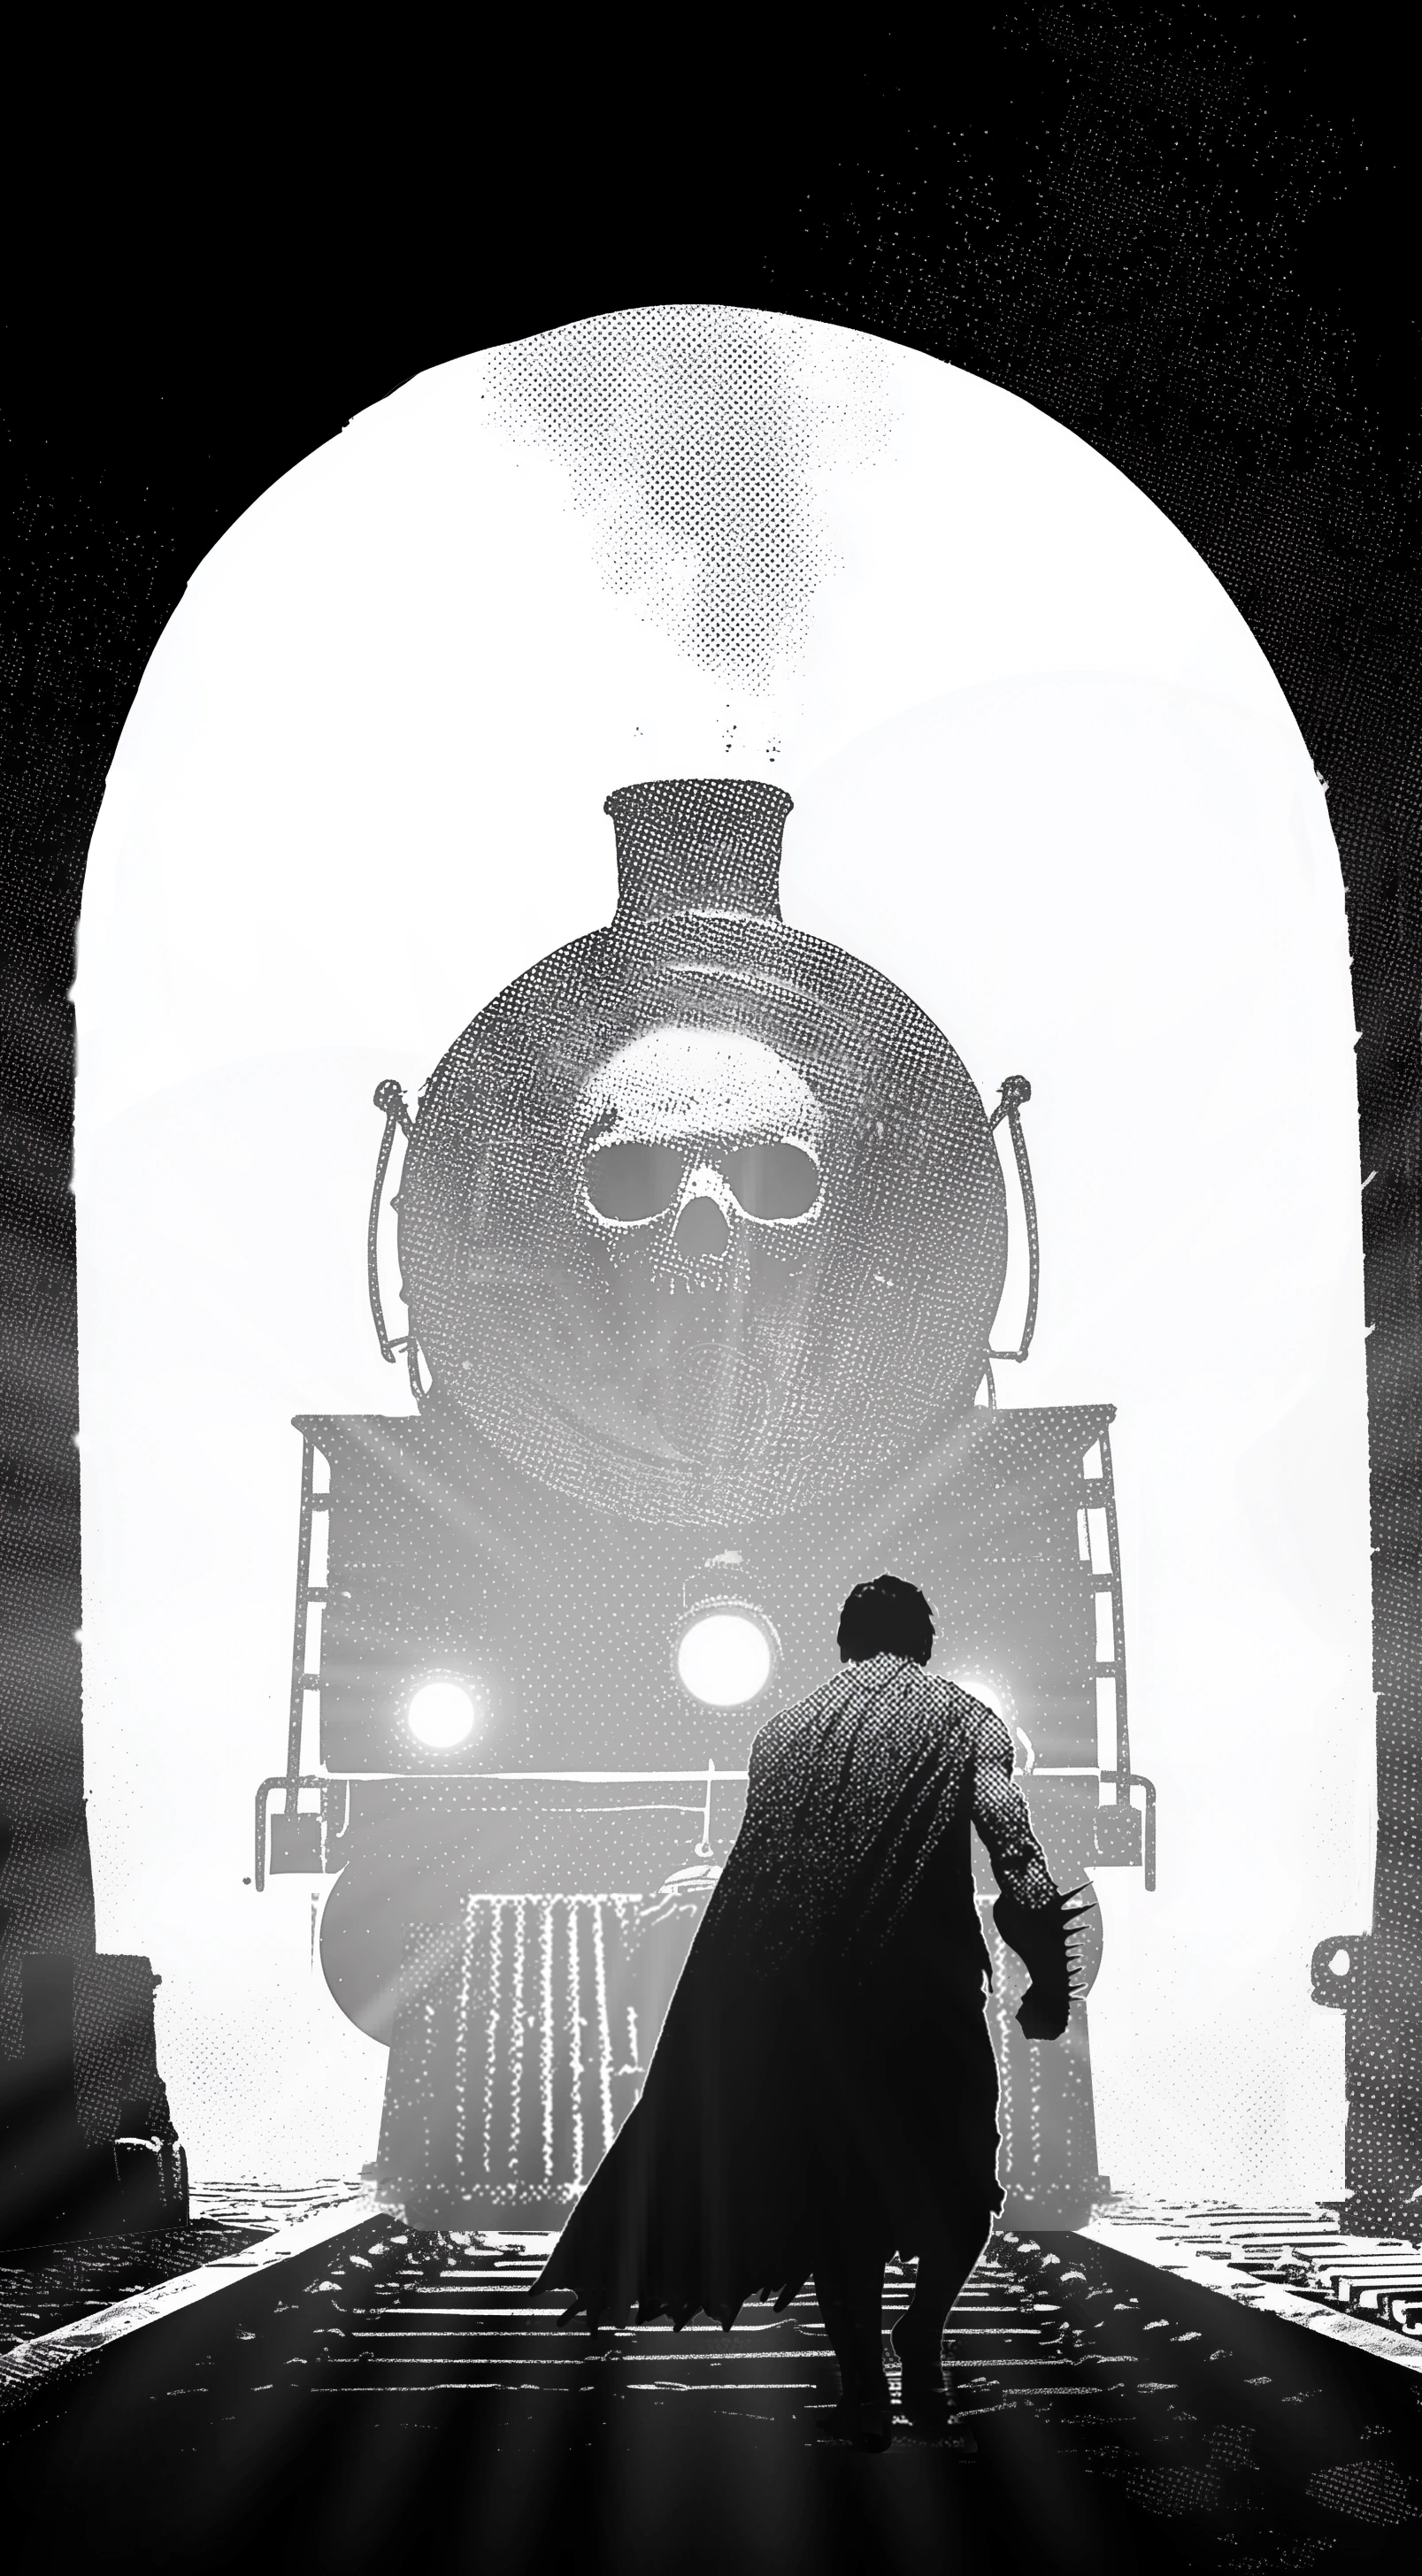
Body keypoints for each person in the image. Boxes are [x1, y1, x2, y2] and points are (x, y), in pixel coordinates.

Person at [533, 1574, 1087, 2450]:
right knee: (964, 2182)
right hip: (931, 1997)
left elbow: (759, 1882)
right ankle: (921, 2333)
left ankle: (865, 2389)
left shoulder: (782, 1733)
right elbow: (1015, 1853)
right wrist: (1048, 1982)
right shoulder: (967, 1719)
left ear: (842, 1642)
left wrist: (732, 2021)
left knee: (840, 2204)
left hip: (818, 2009)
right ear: (924, 1640)